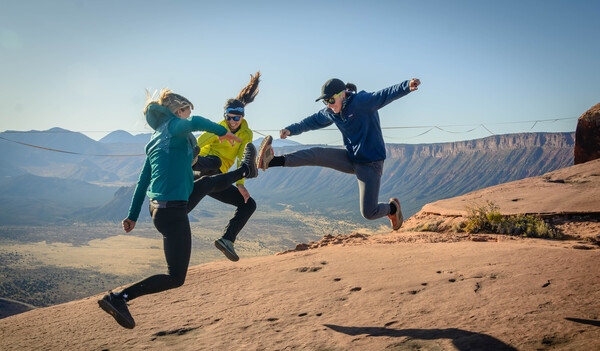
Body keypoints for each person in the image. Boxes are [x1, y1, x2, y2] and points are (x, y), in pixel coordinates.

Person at [98, 88, 263, 329]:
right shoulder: (175, 126)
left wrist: (132, 215)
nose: (188, 117)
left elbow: (143, 182)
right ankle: (119, 298)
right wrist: (224, 132)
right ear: (177, 112)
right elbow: (195, 122)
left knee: (207, 183)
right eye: (186, 112)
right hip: (173, 210)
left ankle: (245, 169)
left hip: (160, 208)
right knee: (175, 277)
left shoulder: (155, 139)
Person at [258, 77, 421, 231]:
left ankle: (392, 209)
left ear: (342, 95)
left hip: (371, 164)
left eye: (331, 100)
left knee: (368, 213)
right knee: (316, 154)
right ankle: (271, 161)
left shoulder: (362, 102)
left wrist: (406, 86)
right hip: (351, 158)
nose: (328, 105)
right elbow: (311, 121)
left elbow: (384, 95)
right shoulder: (331, 112)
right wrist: (291, 130)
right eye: (325, 101)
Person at [189, 71, 261, 262]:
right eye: (229, 117)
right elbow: (200, 142)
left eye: (236, 118)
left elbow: (242, 158)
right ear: (224, 116)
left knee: (249, 204)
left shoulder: (246, 134)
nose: (232, 122)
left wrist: (240, 184)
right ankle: (192, 163)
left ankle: (227, 240)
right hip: (200, 168)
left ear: (242, 117)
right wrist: (193, 153)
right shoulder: (218, 127)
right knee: (215, 161)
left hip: (217, 178)